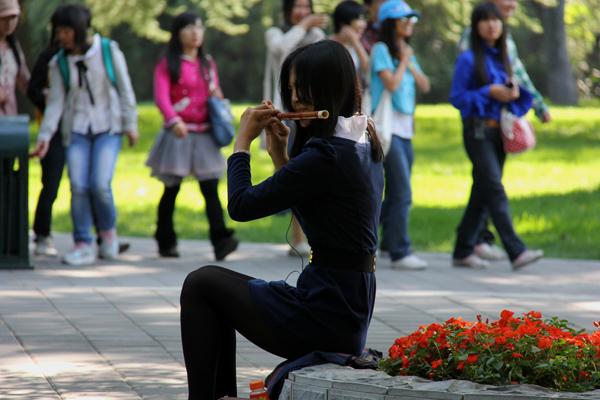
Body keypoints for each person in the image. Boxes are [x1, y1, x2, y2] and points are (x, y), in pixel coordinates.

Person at [180, 40, 384, 400]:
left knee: (201, 284)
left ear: (328, 87)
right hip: (345, 309)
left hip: (325, 312)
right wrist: (280, 156)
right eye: (291, 90)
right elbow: (324, 218)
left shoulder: (325, 154)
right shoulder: (363, 141)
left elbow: (241, 206)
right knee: (216, 291)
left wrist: (241, 143)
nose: (295, 101)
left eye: (303, 89)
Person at [33, 4, 138, 266]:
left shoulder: (108, 51)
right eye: (58, 30)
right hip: (77, 130)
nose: (62, 36)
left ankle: (107, 233)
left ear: (80, 30)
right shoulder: (59, 62)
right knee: (78, 185)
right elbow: (55, 103)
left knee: (100, 184)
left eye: (67, 30)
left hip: (107, 128)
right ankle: (82, 242)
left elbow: (125, 89)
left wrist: (131, 123)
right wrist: (45, 136)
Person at [450, 2, 543, 270]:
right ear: (475, 25)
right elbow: (457, 98)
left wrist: (514, 92)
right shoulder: (468, 58)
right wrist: (487, 91)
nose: (492, 24)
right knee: (494, 190)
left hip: (498, 135)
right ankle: (517, 250)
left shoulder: (504, 57)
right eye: (485, 20)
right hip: (477, 132)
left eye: (496, 20)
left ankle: (462, 250)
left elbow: (517, 100)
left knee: (481, 192)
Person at [146, 12, 238, 260]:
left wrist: (217, 96)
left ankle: (221, 240)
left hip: (205, 133)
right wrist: (173, 119)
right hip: (179, 133)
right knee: (171, 188)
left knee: (210, 188)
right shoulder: (168, 62)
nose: (196, 33)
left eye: (199, 27)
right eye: (189, 28)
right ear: (177, 33)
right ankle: (165, 239)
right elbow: (161, 96)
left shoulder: (207, 62)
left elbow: (214, 92)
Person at [263, 0, 328, 257]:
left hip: (314, 115)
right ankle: (297, 238)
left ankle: (314, 235)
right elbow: (283, 50)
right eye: (297, 6)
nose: (302, 11)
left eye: (306, 6)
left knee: (313, 174)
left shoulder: (318, 36)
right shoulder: (275, 33)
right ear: (287, 10)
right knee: (293, 171)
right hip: (286, 115)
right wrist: (303, 26)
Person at [370, 0, 430, 270]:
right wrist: (404, 61)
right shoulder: (380, 50)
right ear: (388, 23)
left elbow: (424, 85)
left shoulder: (407, 51)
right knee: (403, 192)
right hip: (387, 128)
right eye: (403, 19)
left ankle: (384, 243)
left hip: (404, 129)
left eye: (412, 19)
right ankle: (400, 252)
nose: (409, 23)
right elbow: (391, 85)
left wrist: (408, 60)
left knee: (395, 191)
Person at [329, 0, 370, 83]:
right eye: (359, 19)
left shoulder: (354, 46)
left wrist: (355, 42)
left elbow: (368, 71)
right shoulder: (322, 43)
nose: (364, 25)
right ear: (344, 23)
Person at [0, 0, 29, 117]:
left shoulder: (14, 46)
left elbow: (25, 81)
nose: (9, 23)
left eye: (13, 18)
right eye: (4, 18)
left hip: (9, 116)